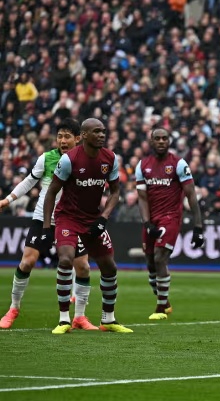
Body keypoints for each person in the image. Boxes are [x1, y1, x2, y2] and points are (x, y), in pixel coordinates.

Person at [0, 119, 97, 330]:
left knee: (82, 267)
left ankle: (79, 317)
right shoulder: (47, 158)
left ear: (78, 138)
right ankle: (13, 308)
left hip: (72, 220)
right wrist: (8, 200)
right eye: (60, 136)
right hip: (44, 218)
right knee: (27, 262)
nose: (62, 140)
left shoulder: (86, 160)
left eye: (67, 136)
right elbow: (29, 181)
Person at [41, 118, 132, 334]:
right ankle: (64, 319)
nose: (102, 135)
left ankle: (108, 319)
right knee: (65, 259)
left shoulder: (110, 158)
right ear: (83, 135)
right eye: (97, 132)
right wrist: (46, 227)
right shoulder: (69, 160)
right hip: (68, 217)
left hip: (92, 218)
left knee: (109, 266)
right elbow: (52, 191)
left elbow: (116, 191)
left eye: (103, 131)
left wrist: (103, 218)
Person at [136, 127, 204, 320]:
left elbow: (191, 195)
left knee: (159, 258)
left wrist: (198, 227)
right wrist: (147, 223)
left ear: (169, 141)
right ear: (151, 142)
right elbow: (142, 198)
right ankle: (164, 301)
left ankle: (160, 309)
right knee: (150, 263)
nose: (161, 141)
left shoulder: (179, 164)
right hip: (151, 219)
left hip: (170, 217)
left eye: (164, 138)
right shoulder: (142, 165)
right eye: (157, 138)